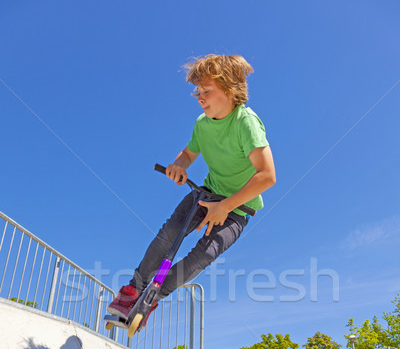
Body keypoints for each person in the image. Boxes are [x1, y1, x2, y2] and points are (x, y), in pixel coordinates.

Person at [107, 54, 276, 326]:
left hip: (238, 210)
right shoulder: (202, 124)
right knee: (170, 234)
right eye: (198, 91)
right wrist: (178, 165)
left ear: (230, 90)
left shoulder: (246, 122)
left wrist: (226, 206)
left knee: (203, 255)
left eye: (207, 91)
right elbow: (188, 153)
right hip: (206, 193)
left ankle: (152, 298)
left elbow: (267, 176)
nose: (200, 97)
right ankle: (134, 290)